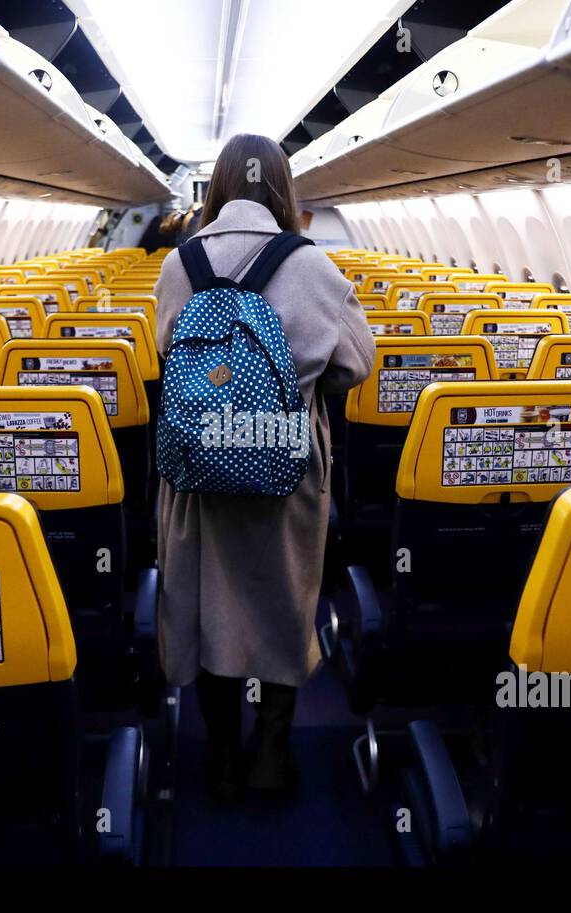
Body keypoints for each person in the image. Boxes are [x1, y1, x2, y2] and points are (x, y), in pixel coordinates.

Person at [152, 133, 375, 800]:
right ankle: (272, 753)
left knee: (209, 604)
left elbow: (168, 357)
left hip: (198, 468)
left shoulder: (180, 264)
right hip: (286, 463)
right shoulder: (312, 265)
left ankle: (221, 757)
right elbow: (357, 364)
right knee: (282, 600)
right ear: (282, 187)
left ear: (217, 187)